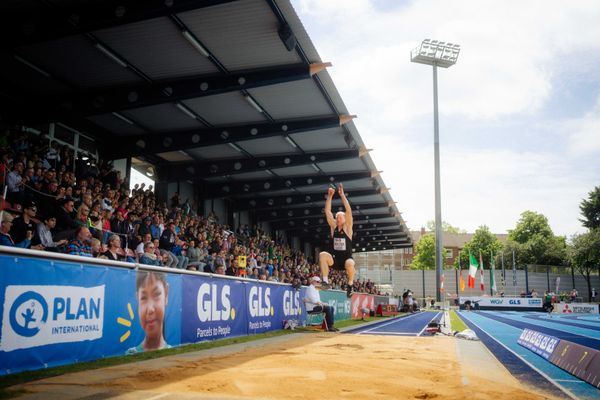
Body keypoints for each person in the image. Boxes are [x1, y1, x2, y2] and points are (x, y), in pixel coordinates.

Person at [319, 183, 356, 297]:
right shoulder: (334, 227)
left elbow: (348, 211)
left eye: (340, 217)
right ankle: (325, 281)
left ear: (345, 219)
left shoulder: (348, 228)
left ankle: (350, 285)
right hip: (335, 260)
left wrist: (342, 195)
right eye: (337, 217)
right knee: (322, 255)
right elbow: (328, 212)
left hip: (346, 260)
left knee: (350, 263)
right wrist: (330, 196)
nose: (337, 218)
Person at [127, 271, 170, 354]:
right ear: (137, 299)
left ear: (166, 294)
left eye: (156, 294)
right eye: (143, 298)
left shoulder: (172, 353)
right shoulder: (129, 354)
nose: (150, 309)